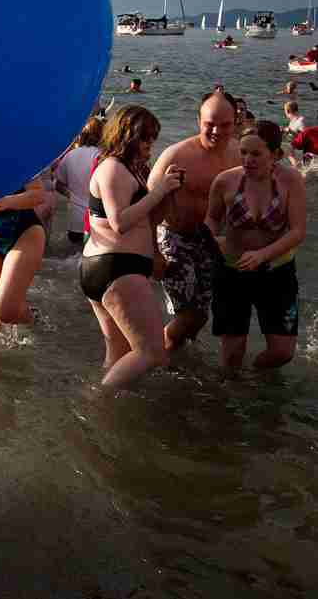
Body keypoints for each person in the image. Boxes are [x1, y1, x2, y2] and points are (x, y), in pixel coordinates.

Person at [81, 106, 181, 389]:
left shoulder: (130, 170)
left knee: (120, 353)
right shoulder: (112, 167)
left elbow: (145, 216)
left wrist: (167, 192)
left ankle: (105, 415)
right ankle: (95, 400)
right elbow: (119, 222)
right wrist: (159, 189)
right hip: (115, 268)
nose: (150, 145)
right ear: (126, 137)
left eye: (153, 138)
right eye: (145, 138)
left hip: (112, 267)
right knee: (153, 353)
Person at [205, 121, 306, 372]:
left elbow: (297, 231)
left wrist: (263, 255)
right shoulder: (225, 181)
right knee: (232, 356)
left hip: (276, 272)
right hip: (231, 272)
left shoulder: (290, 181)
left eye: (256, 154)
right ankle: (232, 400)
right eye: (243, 152)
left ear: (275, 154)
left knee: (282, 353)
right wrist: (207, 242)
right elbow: (213, 219)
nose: (247, 159)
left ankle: (256, 378)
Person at [148, 90, 241, 351]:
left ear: (236, 122)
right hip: (173, 237)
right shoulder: (176, 156)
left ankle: (175, 356)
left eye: (225, 125)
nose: (217, 132)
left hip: (209, 240)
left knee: (202, 313)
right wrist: (154, 253)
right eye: (209, 124)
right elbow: (149, 207)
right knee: (191, 314)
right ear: (198, 121)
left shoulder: (238, 153)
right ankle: (153, 352)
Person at [0, 181, 47, 329]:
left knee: (6, 312)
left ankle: (35, 321)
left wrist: (7, 201)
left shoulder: (14, 158)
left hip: (25, 232)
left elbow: (38, 195)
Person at [54, 117, 104, 245]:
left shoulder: (70, 155)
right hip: (97, 221)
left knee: (73, 259)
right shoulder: (103, 156)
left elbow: (57, 184)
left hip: (75, 223)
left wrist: (72, 196)